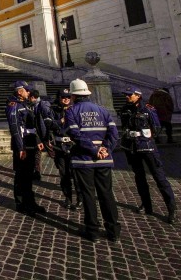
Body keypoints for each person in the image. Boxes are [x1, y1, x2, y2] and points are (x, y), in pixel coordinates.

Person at [65, 77, 120, 242]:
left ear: (73, 95)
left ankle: (93, 231)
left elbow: (75, 135)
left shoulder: (71, 112)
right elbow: (114, 134)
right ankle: (113, 231)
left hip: (83, 160)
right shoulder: (102, 110)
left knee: (88, 195)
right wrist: (105, 150)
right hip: (104, 159)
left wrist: (94, 150)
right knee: (106, 194)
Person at [119, 85, 177, 223]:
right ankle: (146, 205)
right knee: (139, 177)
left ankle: (171, 209)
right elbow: (125, 127)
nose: (127, 96)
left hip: (147, 147)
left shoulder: (148, 109)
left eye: (129, 94)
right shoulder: (124, 110)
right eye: (126, 94)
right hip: (132, 148)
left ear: (138, 95)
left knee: (159, 178)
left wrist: (145, 138)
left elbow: (156, 128)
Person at [6, 82, 43, 216]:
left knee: (28, 175)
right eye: (27, 90)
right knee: (21, 175)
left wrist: (37, 141)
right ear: (20, 92)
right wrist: (20, 147)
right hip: (22, 145)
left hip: (30, 143)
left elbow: (32, 126)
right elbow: (15, 128)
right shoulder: (13, 106)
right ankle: (22, 203)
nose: (29, 93)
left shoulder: (25, 104)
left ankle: (30, 201)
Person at [44, 88, 81, 209]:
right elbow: (49, 124)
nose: (66, 99)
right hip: (59, 146)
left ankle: (80, 198)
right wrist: (61, 121)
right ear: (59, 98)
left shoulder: (75, 109)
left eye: (68, 97)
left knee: (76, 173)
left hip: (73, 145)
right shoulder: (53, 109)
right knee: (63, 173)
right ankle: (68, 197)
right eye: (63, 97)